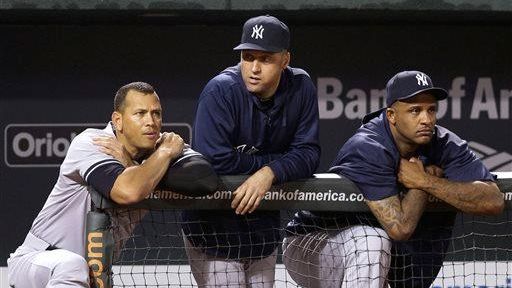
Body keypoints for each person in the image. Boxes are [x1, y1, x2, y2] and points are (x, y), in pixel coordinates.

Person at [283, 70, 504, 287]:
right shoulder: (368, 146)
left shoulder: (444, 142)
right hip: (310, 243)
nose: (426, 119)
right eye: (415, 111)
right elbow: (400, 228)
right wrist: (422, 182)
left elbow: (494, 201)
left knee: (374, 245)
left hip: (370, 253)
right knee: (372, 241)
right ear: (391, 115)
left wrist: (425, 181)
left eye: (431, 110)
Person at [7, 82, 218, 287]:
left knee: (78, 269)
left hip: (91, 275)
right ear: (118, 120)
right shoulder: (93, 143)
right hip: (41, 261)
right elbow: (128, 191)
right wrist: (161, 158)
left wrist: (135, 164)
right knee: (72, 265)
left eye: (156, 113)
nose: (151, 122)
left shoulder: (164, 148)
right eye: (140, 113)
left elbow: (205, 179)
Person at [180, 15, 321, 287]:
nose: (254, 68)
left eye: (265, 59)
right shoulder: (221, 90)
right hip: (213, 228)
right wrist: (275, 165)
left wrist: (270, 172)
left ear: (285, 60)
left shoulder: (301, 87)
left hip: (262, 230)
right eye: (247, 57)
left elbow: (309, 153)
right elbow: (214, 160)